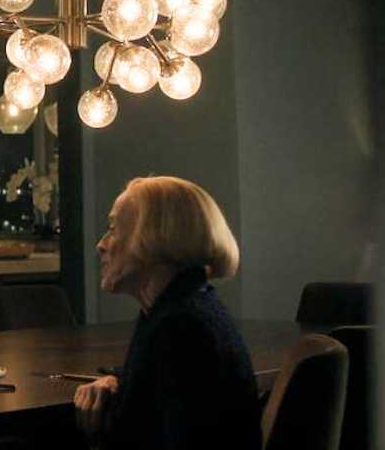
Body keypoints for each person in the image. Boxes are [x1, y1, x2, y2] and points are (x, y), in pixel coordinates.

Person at [73, 176, 260, 450]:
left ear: (155, 238)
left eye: (113, 228)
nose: (102, 243)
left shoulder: (181, 328)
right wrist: (118, 381)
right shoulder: (183, 309)